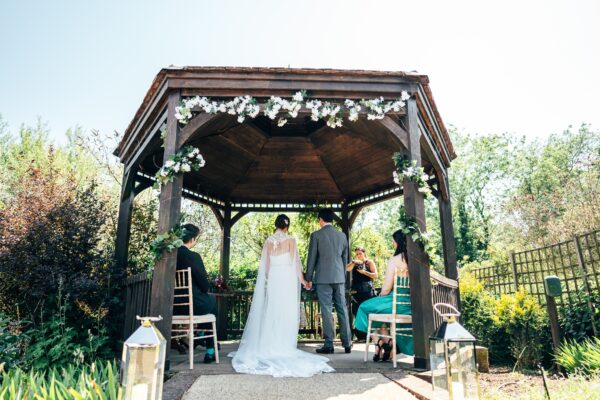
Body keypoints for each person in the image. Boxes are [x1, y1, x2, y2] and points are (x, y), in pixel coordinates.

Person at [229, 214, 334, 377]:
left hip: (274, 280)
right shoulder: (291, 240)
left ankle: (269, 344)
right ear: (287, 226)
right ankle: (283, 346)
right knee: (286, 311)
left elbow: (267, 266)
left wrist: (271, 279)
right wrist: (304, 281)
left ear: (276, 225)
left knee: (272, 310)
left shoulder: (269, 241)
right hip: (287, 279)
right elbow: (296, 264)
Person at [354, 229, 414, 362]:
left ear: (398, 242)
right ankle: (387, 345)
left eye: (393, 241)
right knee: (380, 313)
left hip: (395, 301)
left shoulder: (395, 259)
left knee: (364, 308)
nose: (393, 244)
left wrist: (380, 296)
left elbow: (386, 288)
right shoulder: (415, 258)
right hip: (410, 304)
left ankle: (381, 343)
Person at [306, 208, 353, 354]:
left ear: (320, 219)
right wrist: (342, 276)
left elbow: (312, 258)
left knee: (326, 309)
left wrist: (308, 278)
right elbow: (345, 258)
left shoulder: (316, 235)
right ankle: (347, 343)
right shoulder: (342, 236)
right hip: (339, 277)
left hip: (323, 278)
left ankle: (329, 344)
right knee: (342, 309)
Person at [174, 223, 218, 364]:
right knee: (212, 301)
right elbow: (204, 285)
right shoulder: (193, 256)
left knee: (209, 303)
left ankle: (201, 334)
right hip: (194, 304)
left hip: (175, 306)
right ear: (192, 239)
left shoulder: (170, 255)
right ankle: (210, 349)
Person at [347, 247, 378, 318]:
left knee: (368, 312)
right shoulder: (354, 263)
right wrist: (353, 262)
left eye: (360, 253)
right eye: (357, 254)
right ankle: (359, 329)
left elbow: (375, 275)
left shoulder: (369, 262)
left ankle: (368, 328)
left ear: (364, 253)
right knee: (356, 311)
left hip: (367, 292)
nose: (358, 255)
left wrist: (364, 272)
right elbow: (347, 269)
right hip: (356, 292)